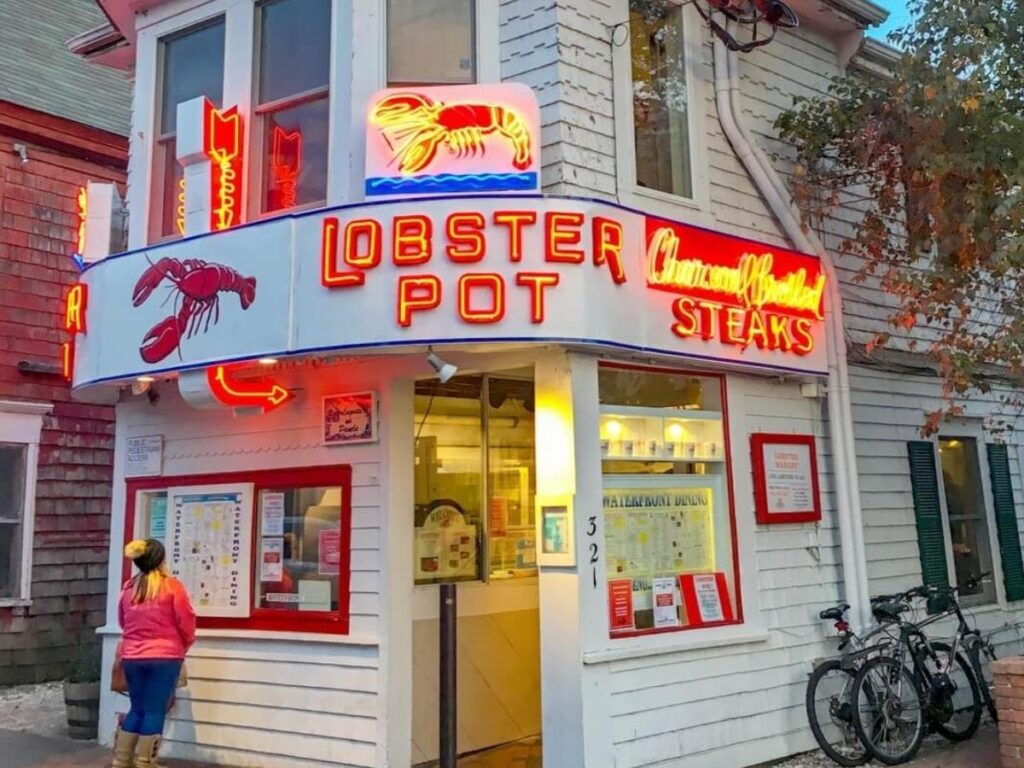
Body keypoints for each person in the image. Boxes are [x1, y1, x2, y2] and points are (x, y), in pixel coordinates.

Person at [112, 539, 196, 768]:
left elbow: (122, 621)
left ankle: (121, 761)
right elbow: (186, 621)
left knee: (137, 708)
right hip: (165, 657)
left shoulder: (129, 588)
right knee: (154, 710)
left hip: (132, 657)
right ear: (160, 559)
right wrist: (185, 643)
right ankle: (145, 761)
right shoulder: (172, 587)